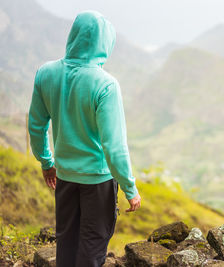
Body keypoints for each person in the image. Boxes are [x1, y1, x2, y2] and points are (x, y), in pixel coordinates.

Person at [28, 10, 141, 267]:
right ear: (105, 44)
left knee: (66, 243)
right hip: (98, 182)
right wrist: (129, 187)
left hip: (65, 177)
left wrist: (46, 162)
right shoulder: (105, 85)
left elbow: (36, 126)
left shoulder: (46, 74)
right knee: (92, 247)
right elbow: (114, 146)